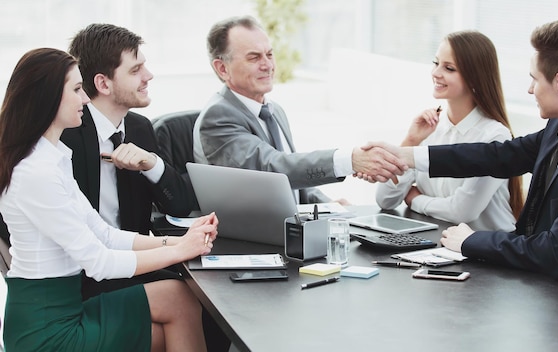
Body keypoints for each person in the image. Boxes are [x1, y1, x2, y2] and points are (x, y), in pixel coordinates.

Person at [362, 19, 558, 315]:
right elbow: (497, 156)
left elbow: (555, 252)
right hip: (544, 296)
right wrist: (408, 154)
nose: (529, 89)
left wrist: (471, 241)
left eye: (534, 79)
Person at [0, 47, 217, 351]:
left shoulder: (53, 159)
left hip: (67, 307)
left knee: (178, 297)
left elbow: (104, 235)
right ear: (47, 97)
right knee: (177, 316)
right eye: (77, 89)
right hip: (46, 328)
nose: (86, 99)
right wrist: (181, 250)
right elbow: (98, 261)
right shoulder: (36, 173)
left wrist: (182, 241)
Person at [62, 23, 232, 351]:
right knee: (190, 299)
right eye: (137, 69)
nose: (149, 76)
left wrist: (151, 164)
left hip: (131, 263)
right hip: (83, 274)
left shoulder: (139, 128)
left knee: (215, 301)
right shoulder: (68, 133)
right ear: (103, 83)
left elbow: (180, 205)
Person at [193, 15, 407, 205]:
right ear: (222, 68)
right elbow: (273, 169)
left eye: (269, 54)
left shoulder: (274, 111)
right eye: (254, 57)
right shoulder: (217, 116)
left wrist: (331, 206)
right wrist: (349, 160)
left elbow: (295, 182)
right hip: (252, 242)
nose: (268, 65)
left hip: (288, 231)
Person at [376, 31, 523, 232]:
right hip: (439, 249)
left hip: (490, 256)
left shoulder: (494, 136)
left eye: (449, 68)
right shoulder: (429, 127)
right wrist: (411, 140)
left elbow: (463, 212)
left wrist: (415, 199)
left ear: (474, 78)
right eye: (435, 63)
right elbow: (385, 199)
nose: (436, 73)